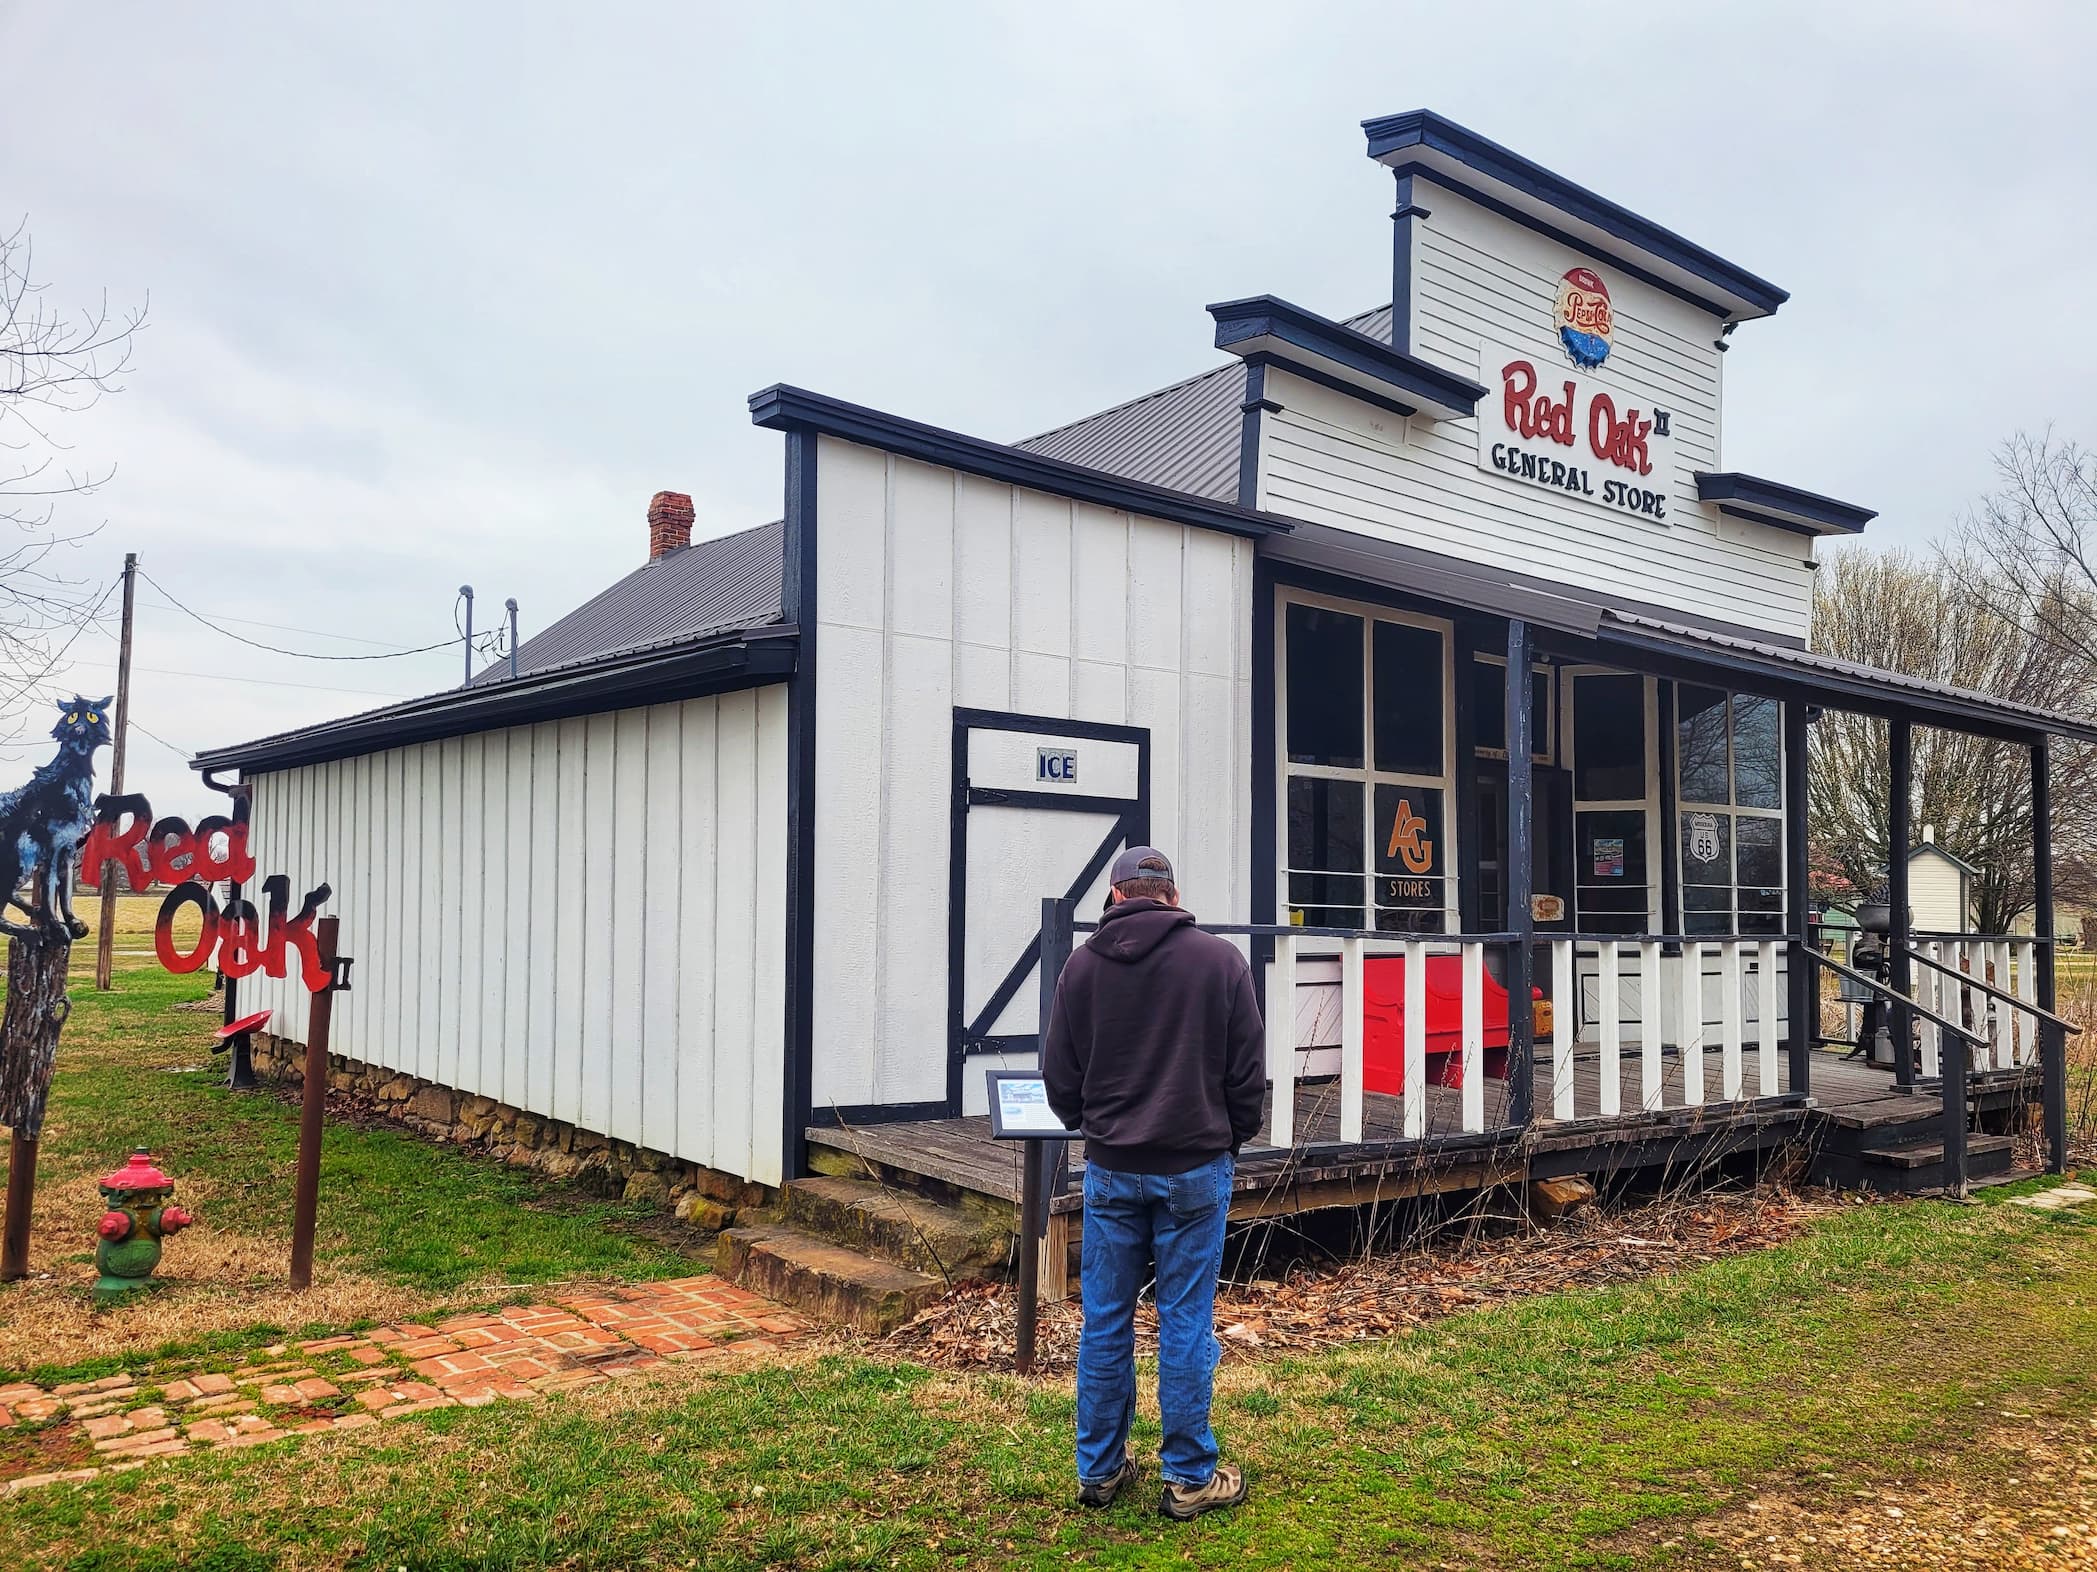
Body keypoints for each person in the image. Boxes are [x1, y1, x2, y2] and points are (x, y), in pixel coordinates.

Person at [1041, 846, 1265, 1520]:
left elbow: (1060, 1077)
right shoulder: (1219, 962)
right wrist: (1230, 1133)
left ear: (1114, 897)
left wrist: (1094, 1126)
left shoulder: (1081, 968)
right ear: (1172, 895)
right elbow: (1245, 1073)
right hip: (1195, 1166)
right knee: (1185, 1321)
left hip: (1112, 1168)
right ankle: (1189, 1477)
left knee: (1104, 1322)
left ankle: (1100, 1472)